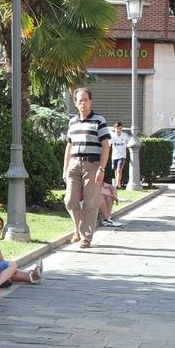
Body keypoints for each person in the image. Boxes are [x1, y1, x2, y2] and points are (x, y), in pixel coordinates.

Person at [63, 87, 112, 249]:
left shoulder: (99, 120)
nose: (82, 103)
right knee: (70, 200)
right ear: (75, 103)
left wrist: (102, 169)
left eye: (85, 99)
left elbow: (106, 146)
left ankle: (86, 237)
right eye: (79, 100)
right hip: (74, 164)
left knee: (90, 204)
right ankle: (77, 229)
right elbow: (69, 146)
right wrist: (65, 168)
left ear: (90, 101)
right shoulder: (73, 121)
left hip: (93, 165)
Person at [109, 121, 130, 189]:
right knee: (116, 170)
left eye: (120, 128)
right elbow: (109, 144)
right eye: (117, 128)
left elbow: (129, 142)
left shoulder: (125, 136)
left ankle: (118, 184)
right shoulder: (112, 136)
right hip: (114, 156)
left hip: (122, 156)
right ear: (114, 128)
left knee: (119, 170)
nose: (118, 130)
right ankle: (117, 183)